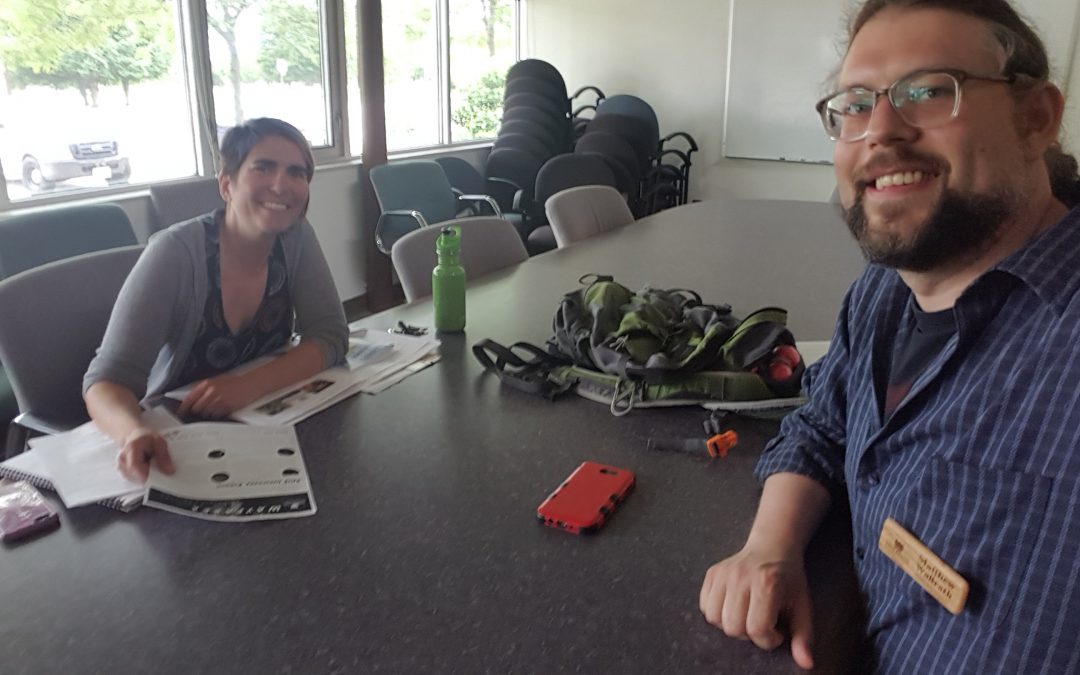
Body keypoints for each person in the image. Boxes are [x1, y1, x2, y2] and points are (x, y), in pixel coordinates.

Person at [698, 1, 1080, 672]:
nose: (879, 131)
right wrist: (769, 543)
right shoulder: (883, 288)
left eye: (928, 91)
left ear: (1036, 119)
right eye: (854, 103)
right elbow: (823, 422)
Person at [84, 118, 348, 483]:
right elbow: (107, 379)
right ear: (227, 184)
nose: (281, 185)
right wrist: (132, 432)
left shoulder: (296, 236)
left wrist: (249, 386)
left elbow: (330, 334)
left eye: (296, 173)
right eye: (263, 167)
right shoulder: (175, 254)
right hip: (178, 438)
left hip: (263, 426)